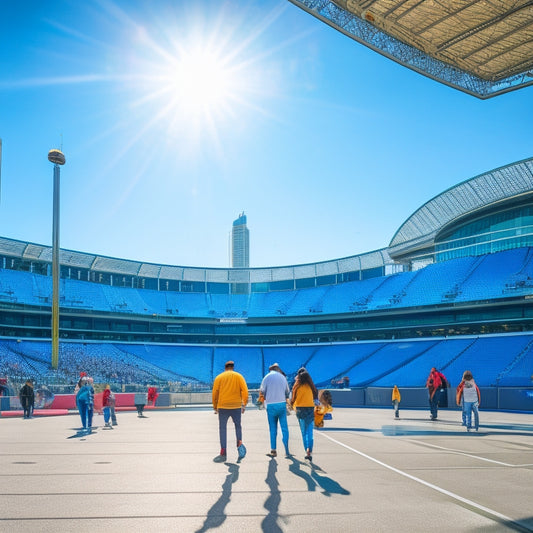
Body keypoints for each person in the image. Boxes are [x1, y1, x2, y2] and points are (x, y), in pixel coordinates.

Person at [212, 361, 249, 462]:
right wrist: (244, 404)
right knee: (238, 426)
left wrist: (215, 406)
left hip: (223, 407)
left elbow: (215, 393)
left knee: (222, 428)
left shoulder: (219, 377)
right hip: (236, 406)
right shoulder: (239, 376)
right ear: (233, 367)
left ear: (225, 368)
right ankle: (239, 443)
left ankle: (223, 450)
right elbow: (245, 391)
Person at [260, 362, 290, 457]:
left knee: (273, 428)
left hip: (271, 405)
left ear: (270, 369)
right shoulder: (283, 377)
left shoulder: (266, 377)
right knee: (284, 427)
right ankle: (286, 449)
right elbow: (287, 391)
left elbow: (262, 391)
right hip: (281, 404)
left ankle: (273, 450)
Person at [290, 367, 318, 461]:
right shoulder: (311, 385)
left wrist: (291, 405)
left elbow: (293, 398)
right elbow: (315, 396)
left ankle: (306, 450)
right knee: (310, 431)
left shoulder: (296, 386)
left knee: (303, 431)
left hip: (300, 409)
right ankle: (310, 449)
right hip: (310, 408)